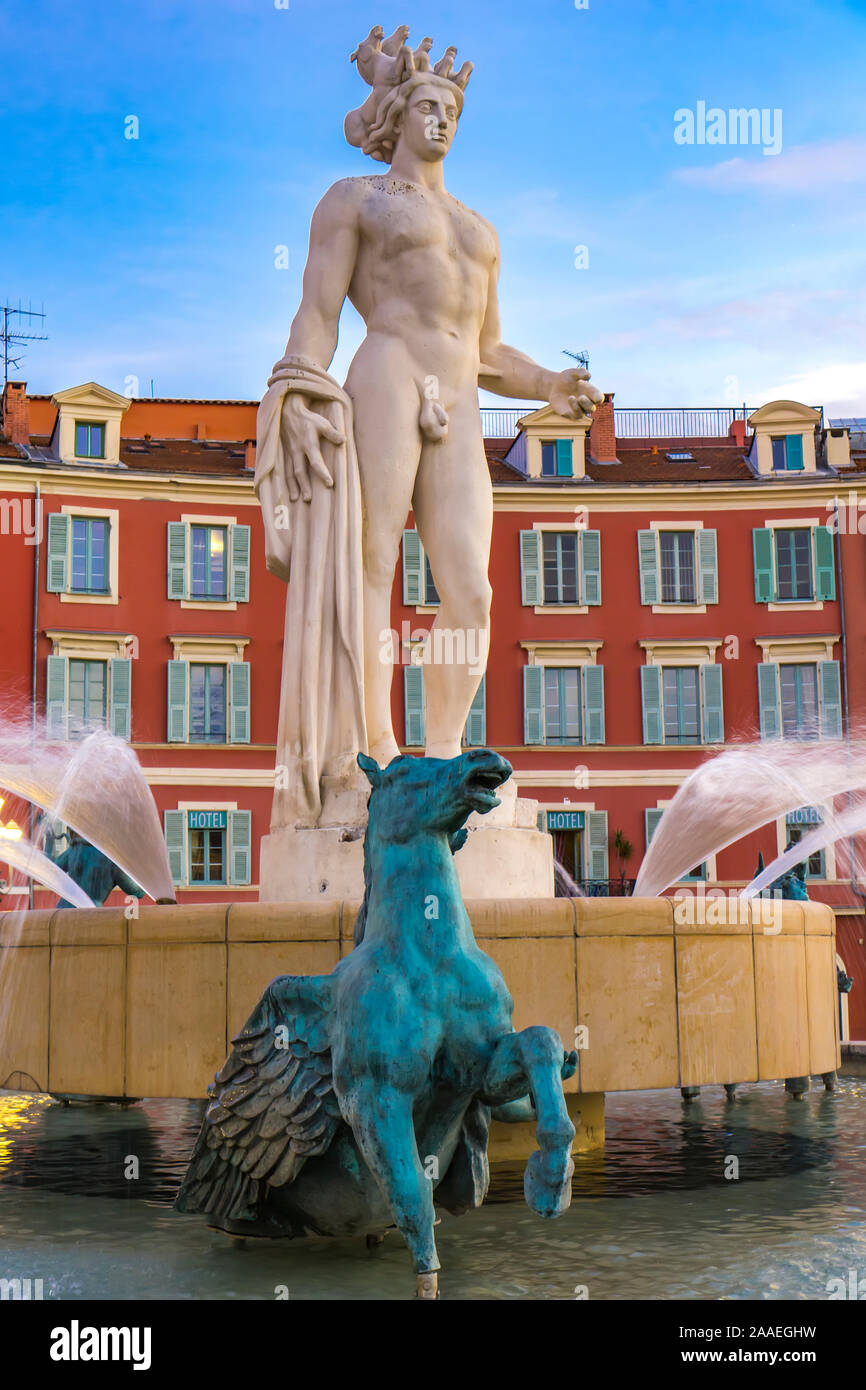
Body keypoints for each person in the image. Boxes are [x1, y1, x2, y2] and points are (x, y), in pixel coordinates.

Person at [54, 831, 146, 910]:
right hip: (89, 916)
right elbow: (138, 892)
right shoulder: (112, 860)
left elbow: (52, 868)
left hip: (62, 912)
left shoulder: (75, 849)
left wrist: (49, 842)